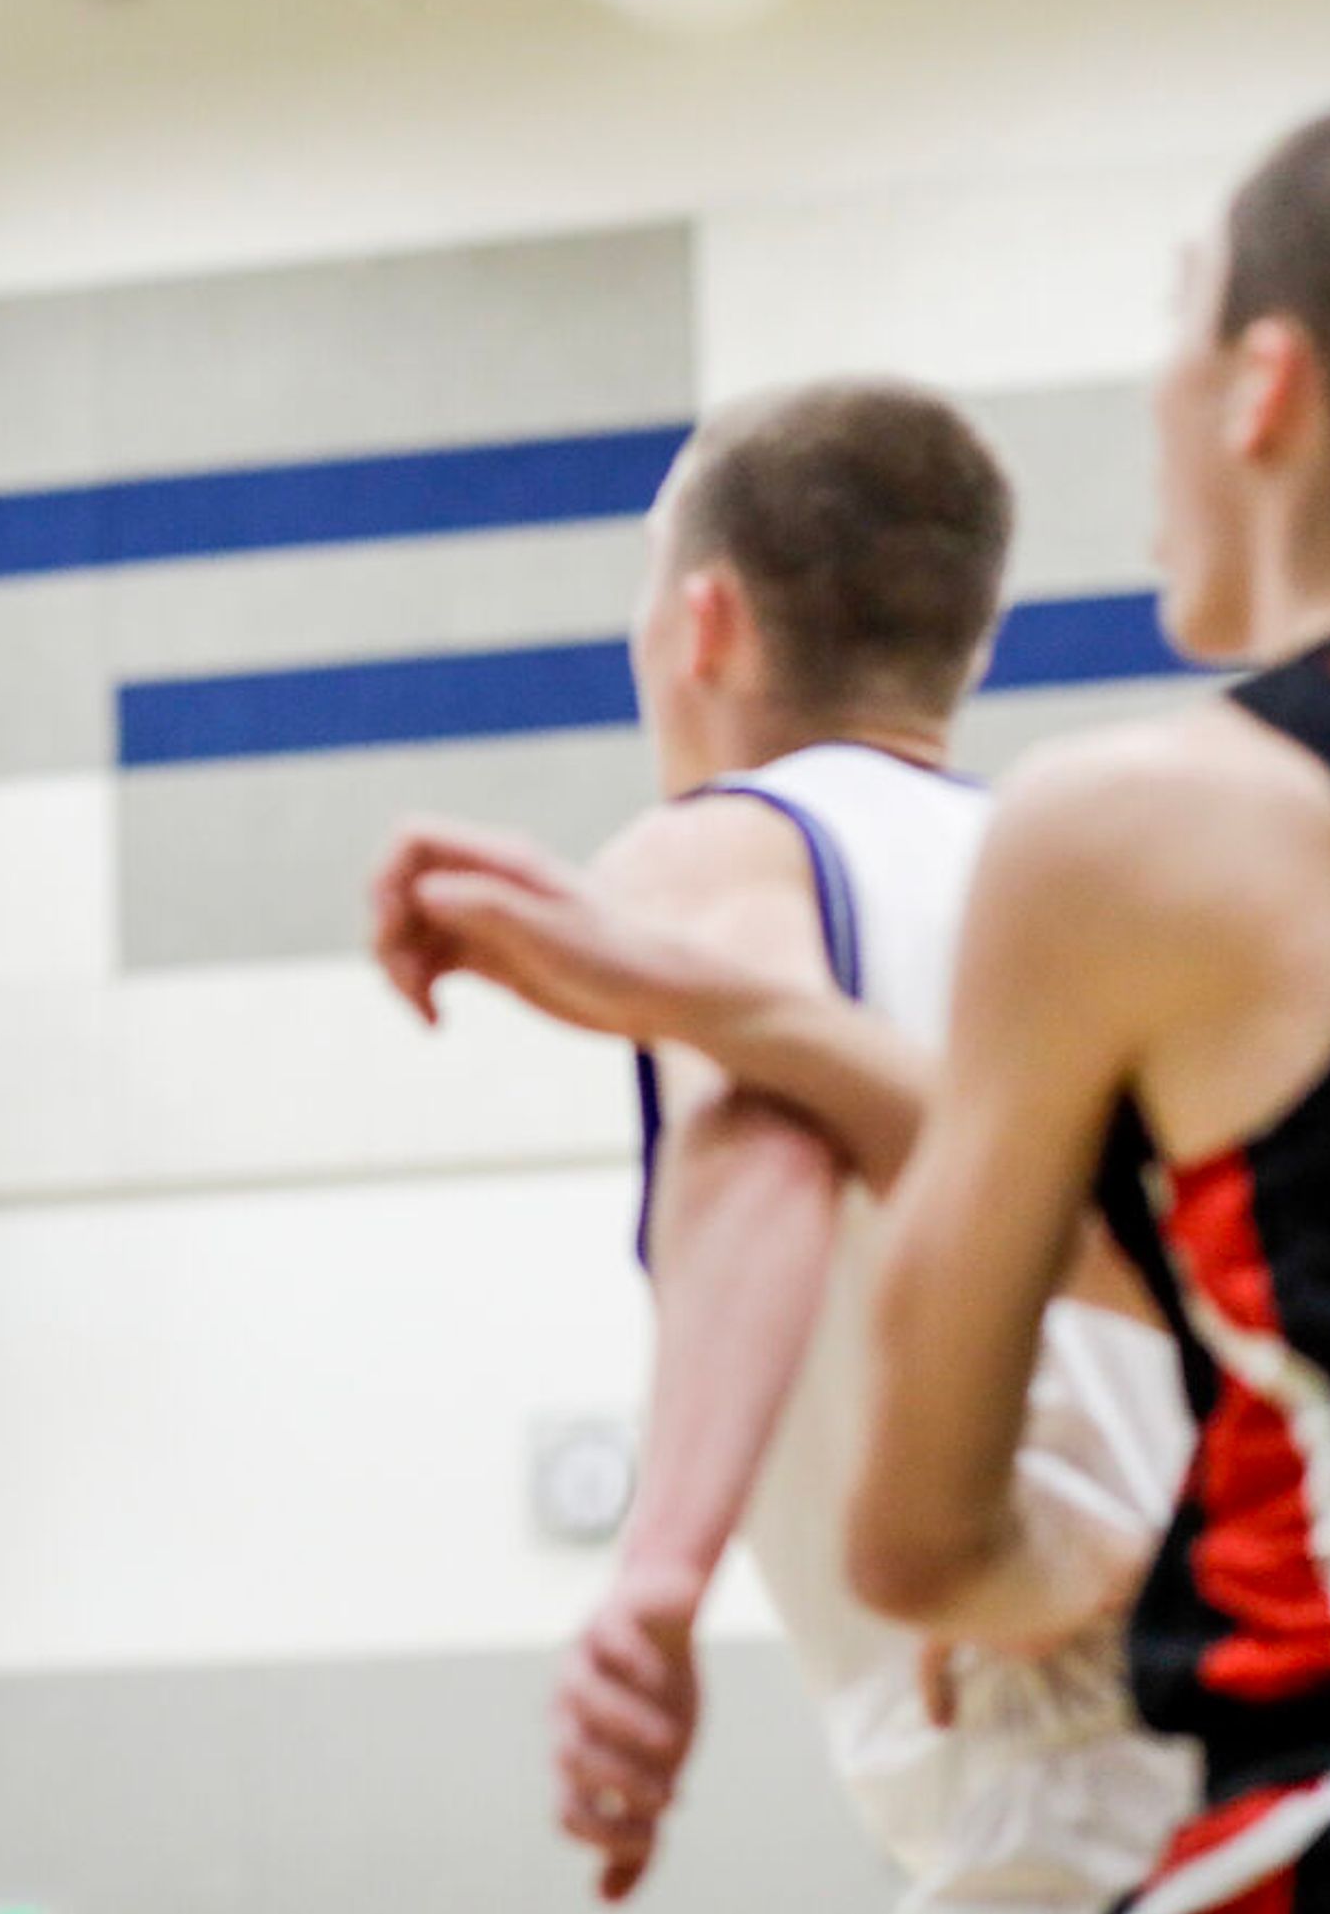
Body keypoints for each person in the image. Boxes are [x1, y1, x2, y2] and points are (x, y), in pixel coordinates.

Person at [395, 95, 1330, 1910]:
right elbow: (1241, 1244)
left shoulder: (1136, 822)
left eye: (1176, 327)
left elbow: (913, 1495)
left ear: (1262, 388)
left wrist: (665, 1571)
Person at [379, 381, 1195, 1907]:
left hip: (1054, 1713)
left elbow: (765, 1130)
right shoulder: (1068, 868)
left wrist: (657, 1582)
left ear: (703, 622)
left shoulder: (723, 840)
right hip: (1275, 1656)